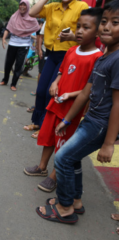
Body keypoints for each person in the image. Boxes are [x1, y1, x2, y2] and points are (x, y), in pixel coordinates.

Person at [36, 1, 119, 224]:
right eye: (104, 22)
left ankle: (64, 207)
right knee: (73, 159)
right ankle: (76, 202)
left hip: (100, 124)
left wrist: (109, 143)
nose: (107, 27)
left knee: (63, 157)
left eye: (115, 23)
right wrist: (68, 119)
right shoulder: (104, 57)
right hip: (90, 119)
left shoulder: (117, 60)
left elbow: (118, 104)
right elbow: (84, 94)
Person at [24, 8, 103, 193]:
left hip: (72, 110)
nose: (80, 31)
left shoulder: (98, 58)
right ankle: (42, 167)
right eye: (78, 27)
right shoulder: (72, 50)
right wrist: (56, 83)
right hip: (56, 103)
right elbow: (62, 71)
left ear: (98, 32)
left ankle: (55, 175)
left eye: (86, 27)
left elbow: (90, 90)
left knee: (64, 142)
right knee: (49, 136)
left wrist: (71, 95)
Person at [24, 0, 88, 139]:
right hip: (52, 53)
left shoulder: (81, 6)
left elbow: (88, 29)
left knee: (51, 93)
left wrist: (73, 36)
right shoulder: (53, 7)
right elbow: (32, 12)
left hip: (68, 55)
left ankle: (45, 127)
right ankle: (37, 122)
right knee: (41, 90)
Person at [0, 0, 40, 91]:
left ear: (27, 7)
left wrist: (38, 44)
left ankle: (13, 84)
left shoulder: (32, 19)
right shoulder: (14, 16)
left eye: (24, 5)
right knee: (8, 63)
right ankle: (5, 80)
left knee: (19, 64)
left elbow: (38, 31)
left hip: (24, 44)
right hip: (13, 43)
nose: (22, 6)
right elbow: (8, 28)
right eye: (20, 4)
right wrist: (3, 38)